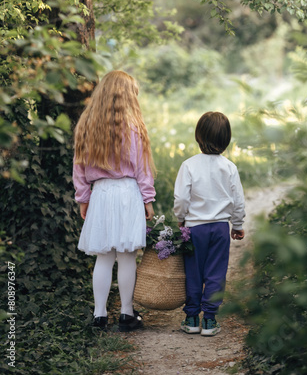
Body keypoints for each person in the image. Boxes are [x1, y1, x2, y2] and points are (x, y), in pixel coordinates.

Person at [73, 70, 156, 332]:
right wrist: (148, 199)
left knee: (104, 257)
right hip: (128, 193)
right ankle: (126, 314)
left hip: (101, 194)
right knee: (127, 256)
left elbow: (79, 168)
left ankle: (99, 316)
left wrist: (83, 198)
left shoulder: (87, 126)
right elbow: (143, 169)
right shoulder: (135, 127)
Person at [173, 111, 245, 337]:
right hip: (221, 229)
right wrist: (238, 224)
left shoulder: (189, 165)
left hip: (195, 228)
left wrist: (181, 217)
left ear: (198, 136)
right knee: (216, 273)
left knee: (193, 272)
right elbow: (238, 200)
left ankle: (192, 317)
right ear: (226, 139)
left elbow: (182, 198)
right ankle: (210, 320)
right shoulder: (229, 167)